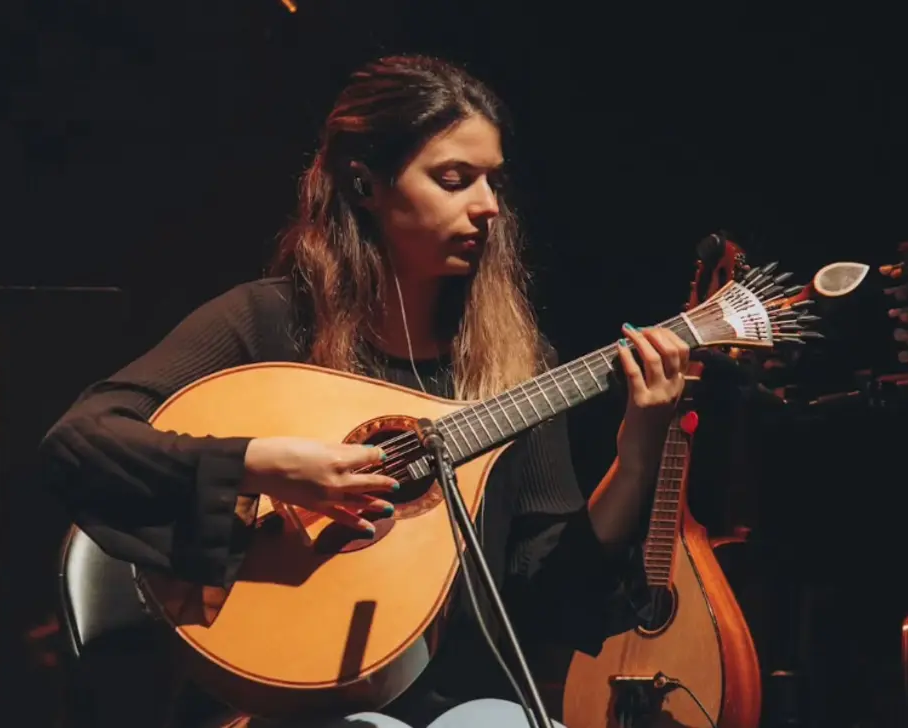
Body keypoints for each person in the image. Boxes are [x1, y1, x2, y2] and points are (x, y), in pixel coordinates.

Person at [38, 54, 691, 728]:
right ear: (365, 184)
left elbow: (551, 594)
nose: (488, 207)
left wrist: (637, 454)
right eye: (454, 179)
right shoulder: (269, 322)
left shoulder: (515, 361)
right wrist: (266, 465)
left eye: (493, 181)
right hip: (278, 701)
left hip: (462, 702)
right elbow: (81, 441)